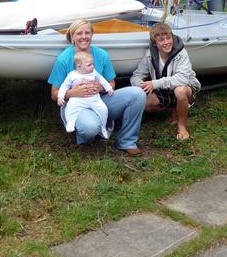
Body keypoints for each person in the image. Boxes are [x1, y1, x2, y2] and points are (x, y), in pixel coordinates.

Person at [48, 19, 146, 156]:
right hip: (77, 106)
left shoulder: (102, 55)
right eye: (79, 33)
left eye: (87, 32)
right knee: (90, 127)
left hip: (100, 101)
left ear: (92, 35)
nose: (83, 37)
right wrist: (72, 92)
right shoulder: (63, 59)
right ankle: (82, 137)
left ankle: (127, 141)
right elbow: (54, 94)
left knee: (138, 94)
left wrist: (100, 88)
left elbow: (111, 83)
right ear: (72, 37)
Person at [130, 22, 201, 140]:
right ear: (154, 43)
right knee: (145, 104)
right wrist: (142, 86)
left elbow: (182, 79)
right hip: (165, 89)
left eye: (168, 38)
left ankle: (182, 126)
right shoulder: (149, 56)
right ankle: (173, 111)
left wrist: (155, 83)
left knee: (180, 91)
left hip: (187, 87)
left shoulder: (181, 53)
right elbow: (136, 76)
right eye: (161, 40)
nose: (166, 42)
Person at [57, 51, 114, 139]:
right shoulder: (72, 75)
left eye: (92, 64)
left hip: (94, 99)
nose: (92, 66)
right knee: (70, 107)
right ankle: (70, 123)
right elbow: (64, 86)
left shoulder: (94, 72)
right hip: (78, 100)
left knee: (103, 110)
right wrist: (60, 96)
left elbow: (102, 79)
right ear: (79, 66)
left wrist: (108, 88)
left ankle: (103, 128)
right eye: (89, 65)